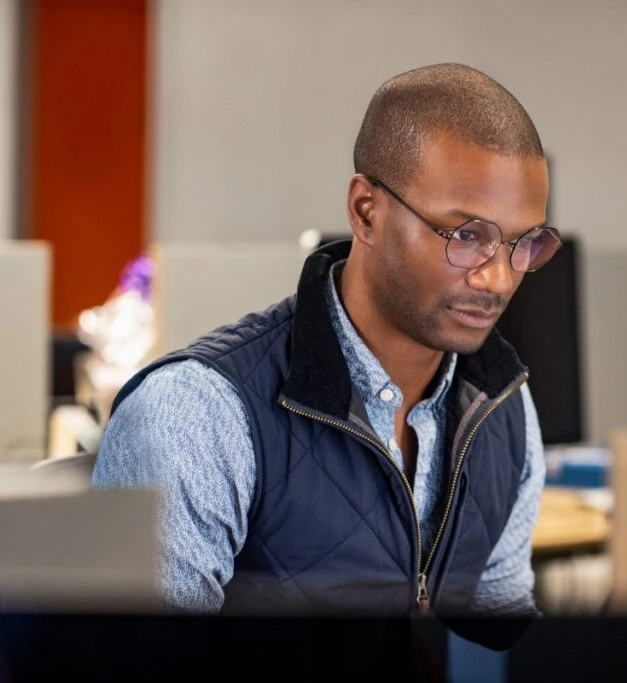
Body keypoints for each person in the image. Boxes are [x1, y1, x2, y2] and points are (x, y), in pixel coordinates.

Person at [93, 63, 561, 648]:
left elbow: (492, 646)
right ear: (367, 210)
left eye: (524, 243)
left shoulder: (505, 408)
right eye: (465, 235)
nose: (497, 279)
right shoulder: (195, 415)